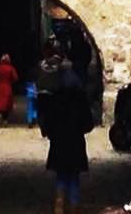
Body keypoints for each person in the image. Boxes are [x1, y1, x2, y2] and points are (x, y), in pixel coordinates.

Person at [43, 62, 94, 214]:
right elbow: (88, 122)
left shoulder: (55, 96)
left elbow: (48, 120)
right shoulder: (80, 97)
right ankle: (73, 205)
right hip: (75, 141)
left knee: (61, 174)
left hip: (59, 141)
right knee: (74, 175)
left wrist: (51, 133)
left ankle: (59, 203)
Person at [0, 54, 19, 126]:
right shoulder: (10, 68)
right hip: (7, 87)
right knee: (6, 104)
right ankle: (5, 119)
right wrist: (11, 82)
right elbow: (15, 78)